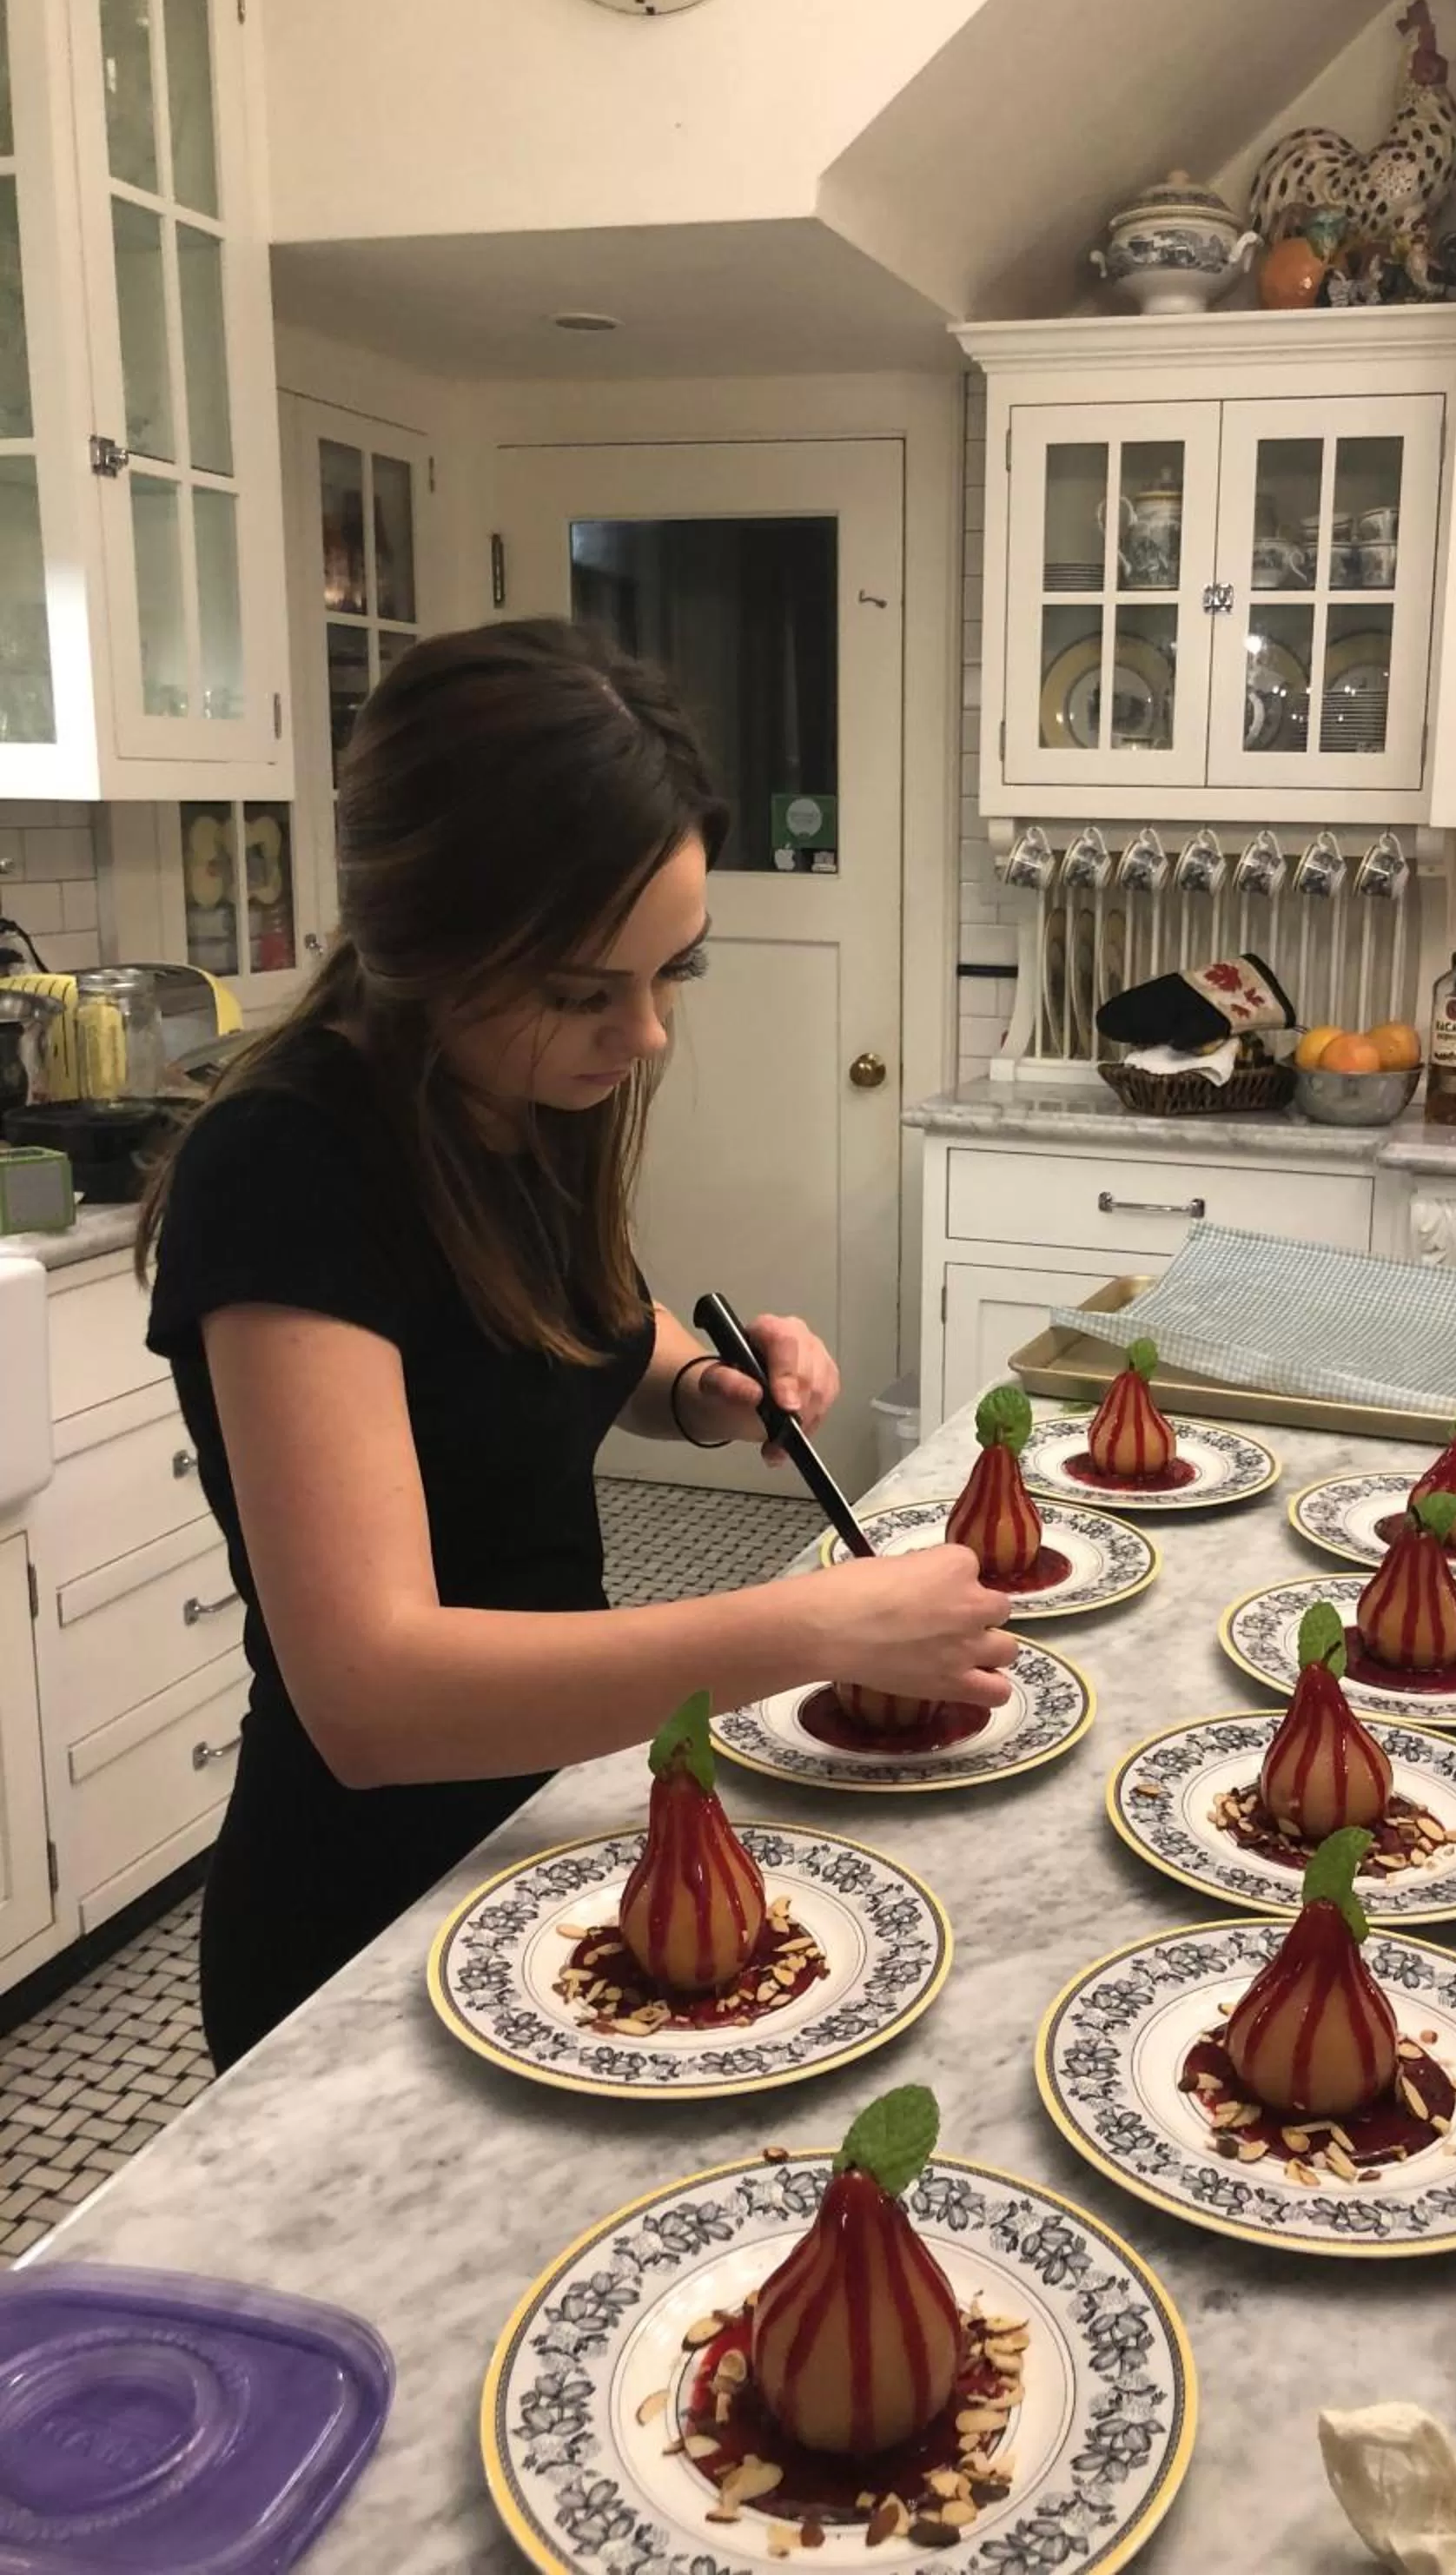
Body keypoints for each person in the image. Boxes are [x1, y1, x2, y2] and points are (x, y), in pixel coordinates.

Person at [139, 618, 1014, 2071]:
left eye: (678, 972)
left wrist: (695, 1386)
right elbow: (372, 1693)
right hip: (367, 1905)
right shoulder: (288, 1164)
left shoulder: (506, 1088)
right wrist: (809, 1629)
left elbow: (559, 1334)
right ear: (427, 942)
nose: (648, 1034)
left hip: (549, 1824)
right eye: (584, 991)